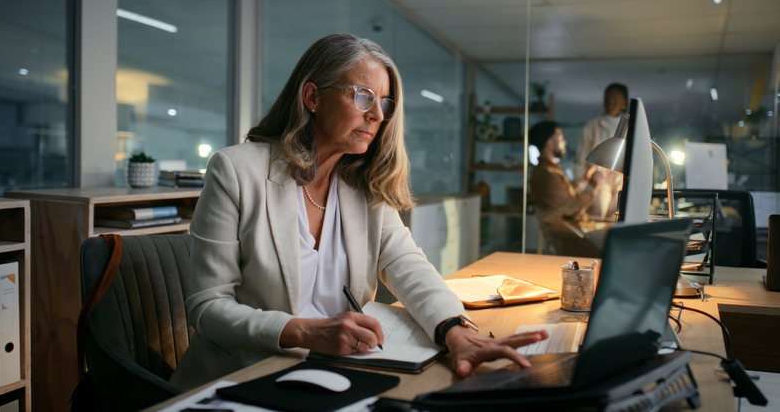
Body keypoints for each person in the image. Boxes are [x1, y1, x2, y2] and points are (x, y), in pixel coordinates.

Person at [169, 34, 548, 390]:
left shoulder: (362, 186)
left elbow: (408, 265)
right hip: (243, 376)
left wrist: (455, 331)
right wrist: (302, 331)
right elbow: (208, 307)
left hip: (336, 370)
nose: (378, 116)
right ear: (312, 96)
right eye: (363, 97)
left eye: (384, 103)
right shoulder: (235, 171)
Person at [530, 121, 607, 256]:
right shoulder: (547, 174)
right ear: (549, 143)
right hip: (567, 236)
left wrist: (583, 180)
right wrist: (594, 183)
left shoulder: (547, 171)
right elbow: (573, 207)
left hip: (570, 232)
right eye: (560, 137)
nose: (564, 142)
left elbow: (561, 193)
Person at [574, 83, 628, 219]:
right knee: (597, 215)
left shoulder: (630, 127)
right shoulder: (591, 127)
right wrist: (581, 184)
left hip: (620, 180)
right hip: (599, 179)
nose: (610, 104)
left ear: (623, 103)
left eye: (615, 101)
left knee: (616, 217)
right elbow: (581, 157)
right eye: (607, 101)